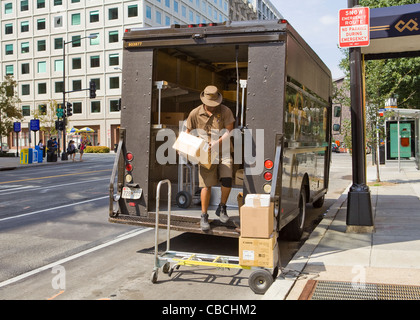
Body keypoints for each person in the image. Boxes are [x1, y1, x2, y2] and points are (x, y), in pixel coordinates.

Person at [185, 85, 235, 231]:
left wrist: (217, 142)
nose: (212, 107)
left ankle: (222, 207)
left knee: (227, 179)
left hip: (223, 150)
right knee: (206, 185)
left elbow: (229, 130)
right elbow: (188, 133)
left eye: (215, 104)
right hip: (205, 153)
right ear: (204, 101)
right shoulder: (195, 113)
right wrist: (194, 146)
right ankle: (204, 215)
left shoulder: (225, 111)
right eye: (210, 104)